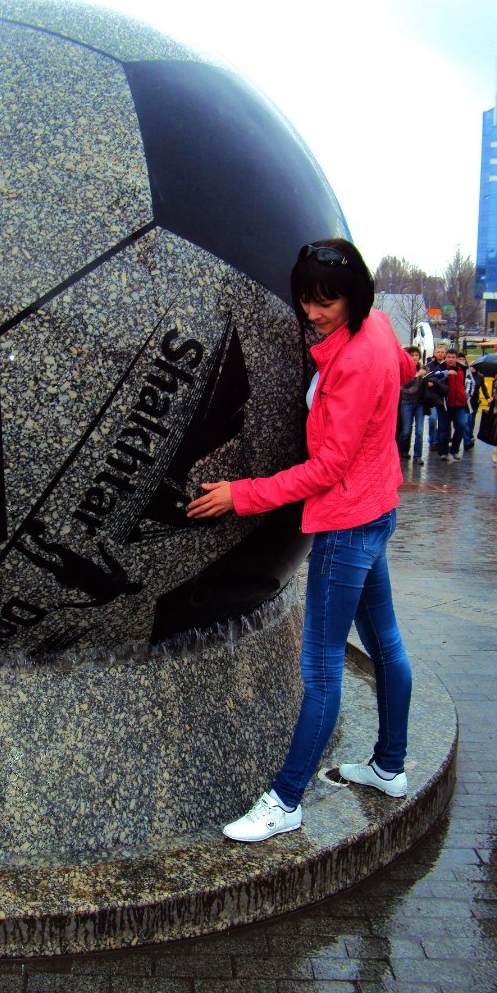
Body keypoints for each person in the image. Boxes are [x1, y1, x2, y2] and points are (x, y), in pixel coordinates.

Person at [187, 238, 415, 842]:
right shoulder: (379, 329)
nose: (313, 313)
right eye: (306, 300)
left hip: (347, 525)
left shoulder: (356, 360)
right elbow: (405, 368)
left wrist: (241, 494)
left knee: (320, 670)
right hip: (377, 509)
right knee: (385, 644)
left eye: (326, 302)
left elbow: (326, 468)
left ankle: (286, 801)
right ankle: (389, 767)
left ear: (354, 296)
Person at [398, 345, 427, 464]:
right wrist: (417, 376)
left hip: (420, 403)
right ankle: (399, 450)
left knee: (419, 431)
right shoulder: (404, 369)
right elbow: (403, 387)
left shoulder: (424, 368)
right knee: (406, 430)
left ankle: (417, 456)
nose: (414, 357)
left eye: (416, 355)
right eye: (412, 355)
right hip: (407, 402)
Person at [439, 348, 469, 460]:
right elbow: (434, 377)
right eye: (449, 357)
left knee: (461, 426)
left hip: (460, 404)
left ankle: (454, 449)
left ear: (456, 358)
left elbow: (469, 383)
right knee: (444, 430)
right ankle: (443, 452)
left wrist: (466, 395)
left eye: (453, 357)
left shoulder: (463, 369)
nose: (450, 359)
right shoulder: (441, 368)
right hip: (445, 404)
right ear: (446, 358)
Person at [460, 353, 488, 450]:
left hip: (474, 401)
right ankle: (467, 440)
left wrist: (487, 397)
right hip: (464, 401)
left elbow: (483, 388)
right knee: (465, 421)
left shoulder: (479, 376)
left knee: (471, 421)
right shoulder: (466, 374)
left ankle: (469, 436)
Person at [424, 344, 449, 454]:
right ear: (435, 353)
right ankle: (432, 441)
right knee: (433, 419)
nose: (440, 354)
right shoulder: (430, 365)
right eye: (438, 352)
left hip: (444, 397)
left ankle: (440, 441)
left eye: (442, 352)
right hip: (433, 397)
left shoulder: (448, 365)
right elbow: (425, 378)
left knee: (443, 422)